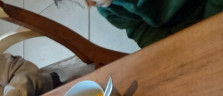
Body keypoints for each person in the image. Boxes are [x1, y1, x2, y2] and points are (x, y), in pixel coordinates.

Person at [80, 0, 223, 48]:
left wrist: (208, 29)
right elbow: (139, 30)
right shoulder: (108, 8)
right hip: (180, 37)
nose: (88, 4)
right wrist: (174, 49)